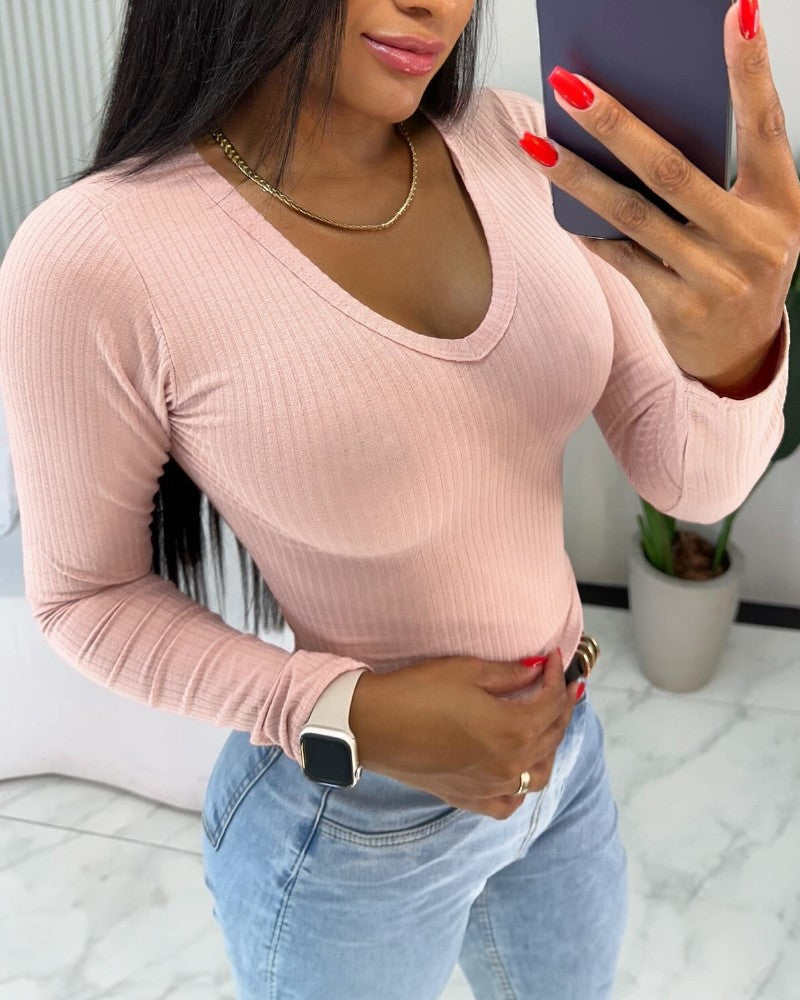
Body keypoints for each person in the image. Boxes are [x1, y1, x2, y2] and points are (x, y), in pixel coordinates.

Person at [0, 1, 789, 997]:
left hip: (564, 761)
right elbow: (84, 596)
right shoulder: (93, 253)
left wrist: (737, 355)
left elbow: (693, 483)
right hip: (350, 824)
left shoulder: (517, 146)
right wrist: (347, 712)